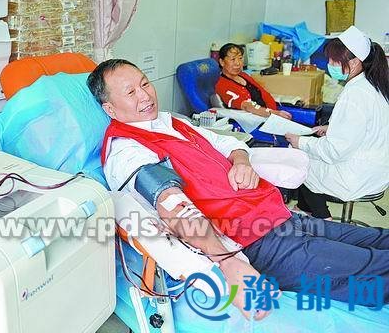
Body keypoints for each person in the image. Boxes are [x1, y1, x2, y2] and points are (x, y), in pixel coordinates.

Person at [87, 58, 389, 320]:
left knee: (377, 238)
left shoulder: (171, 123)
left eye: (144, 83)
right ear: (110, 108)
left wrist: (241, 161)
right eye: (131, 92)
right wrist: (228, 262)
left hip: (280, 216)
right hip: (257, 242)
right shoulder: (126, 150)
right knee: (377, 268)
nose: (145, 95)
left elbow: (225, 142)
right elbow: (171, 203)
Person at [286, 26, 389, 219]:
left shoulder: (355, 94)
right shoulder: (373, 84)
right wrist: (331, 128)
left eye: (335, 60)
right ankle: (305, 208)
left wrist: (300, 141)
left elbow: (334, 152)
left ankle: (323, 218)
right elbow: (366, 127)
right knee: (310, 156)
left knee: (300, 159)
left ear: (355, 62)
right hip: (376, 169)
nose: (329, 64)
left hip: (357, 176)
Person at [215, 43, 292, 119]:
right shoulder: (221, 84)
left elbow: (263, 93)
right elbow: (247, 106)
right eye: (233, 59)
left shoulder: (243, 75)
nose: (238, 63)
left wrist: (275, 111)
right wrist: (273, 113)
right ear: (222, 62)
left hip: (272, 112)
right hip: (258, 119)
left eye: (240, 58)